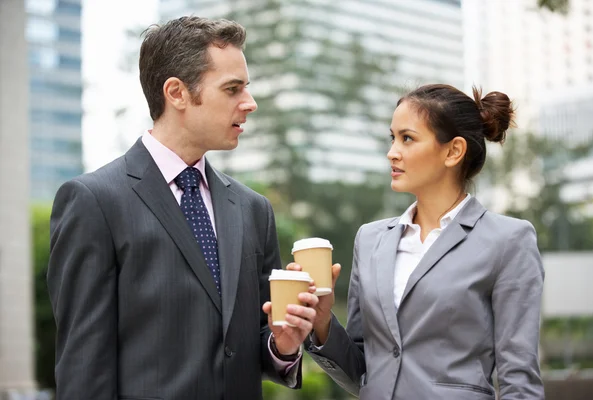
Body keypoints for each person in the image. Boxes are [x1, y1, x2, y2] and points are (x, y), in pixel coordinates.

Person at [47, 16, 318, 400]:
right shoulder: (94, 202)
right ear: (176, 93)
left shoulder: (253, 209)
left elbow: (256, 344)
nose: (250, 103)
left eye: (247, 88)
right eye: (232, 89)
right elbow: (84, 367)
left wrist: (284, 345)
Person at [292, 84, 545, 399]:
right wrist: (323, 321)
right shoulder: (369, 240)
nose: (392, 152)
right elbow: (362, 373)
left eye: (407, 138)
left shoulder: (509, 241)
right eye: (392, 138)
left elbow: (519, 381)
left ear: (453, 151)